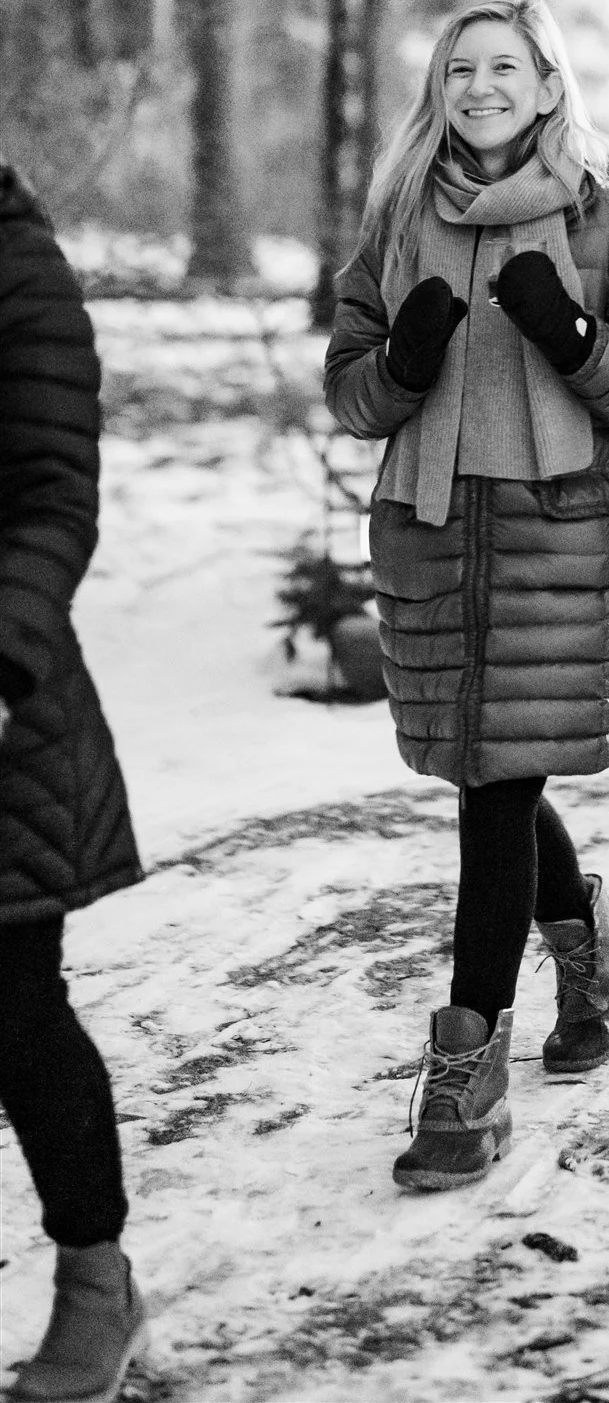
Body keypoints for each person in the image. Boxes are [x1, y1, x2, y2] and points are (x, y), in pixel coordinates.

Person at [324, 0, 609, 1189]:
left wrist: (574, 332)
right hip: (430, 528)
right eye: (459, 68)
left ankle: (464, 1067)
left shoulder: (606, 219)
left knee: (495, 784)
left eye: (504, 68)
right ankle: (588, 951)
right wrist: (404, 358)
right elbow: (351, 391)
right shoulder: (396, 216)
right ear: (440, 90)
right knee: (486, 765)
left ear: (547, 87)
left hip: (551, 528)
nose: (480, 85)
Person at [0, 164, 148, 1403]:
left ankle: (96, 1277)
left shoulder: (17, 265)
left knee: (12, 1007)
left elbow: (55, 491)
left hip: (5, 700)